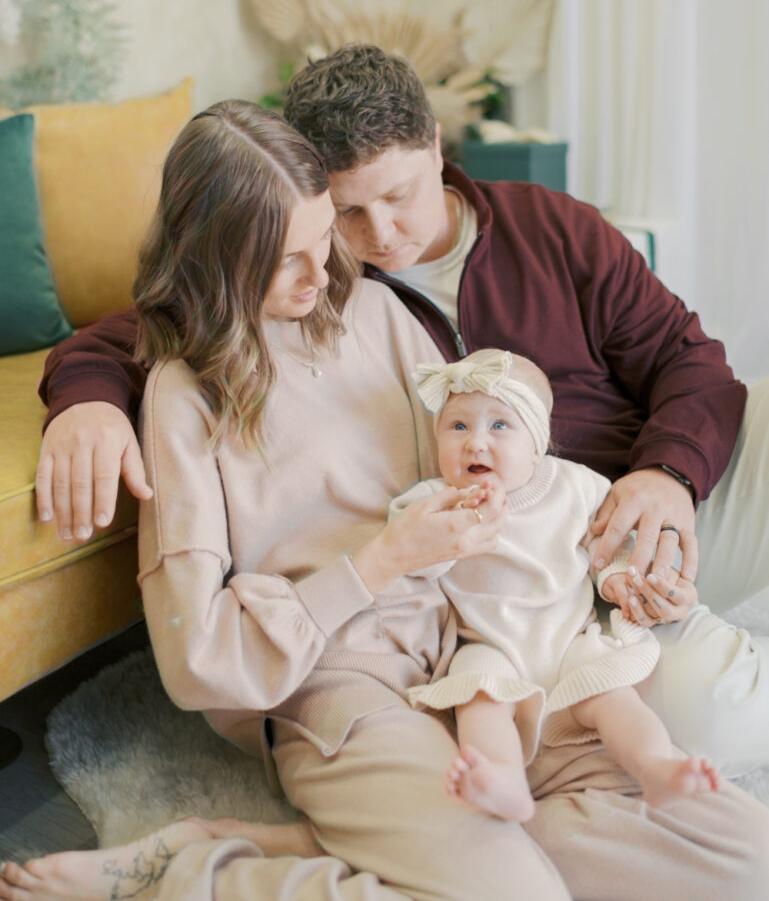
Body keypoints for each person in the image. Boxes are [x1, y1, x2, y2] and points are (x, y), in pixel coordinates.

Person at [5, 98, 768, 901]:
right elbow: (199, 663)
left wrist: (608, 574)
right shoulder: (182, 397)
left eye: (320, 240)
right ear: (215, 257)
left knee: (742, 857)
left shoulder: (376, 311)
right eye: (286, 259)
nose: (321, 275)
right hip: (341, 685)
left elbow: (483, 491)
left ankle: (297, 843)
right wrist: (375, 565)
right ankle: (204, 874)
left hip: (476, 656)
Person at [394, 348, 719, 822]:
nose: (475, 443)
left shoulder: (575, 486)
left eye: (499, 425)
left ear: (537, 443)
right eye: (458, 426)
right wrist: (451, 524)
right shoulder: (433, 501)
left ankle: (654, 766)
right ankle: (505, 780)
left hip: (570, 639)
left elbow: (606, 545)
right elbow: (406, 558)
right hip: (489, 644)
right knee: (478, 697)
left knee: (615, 697)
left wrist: (616, 581)